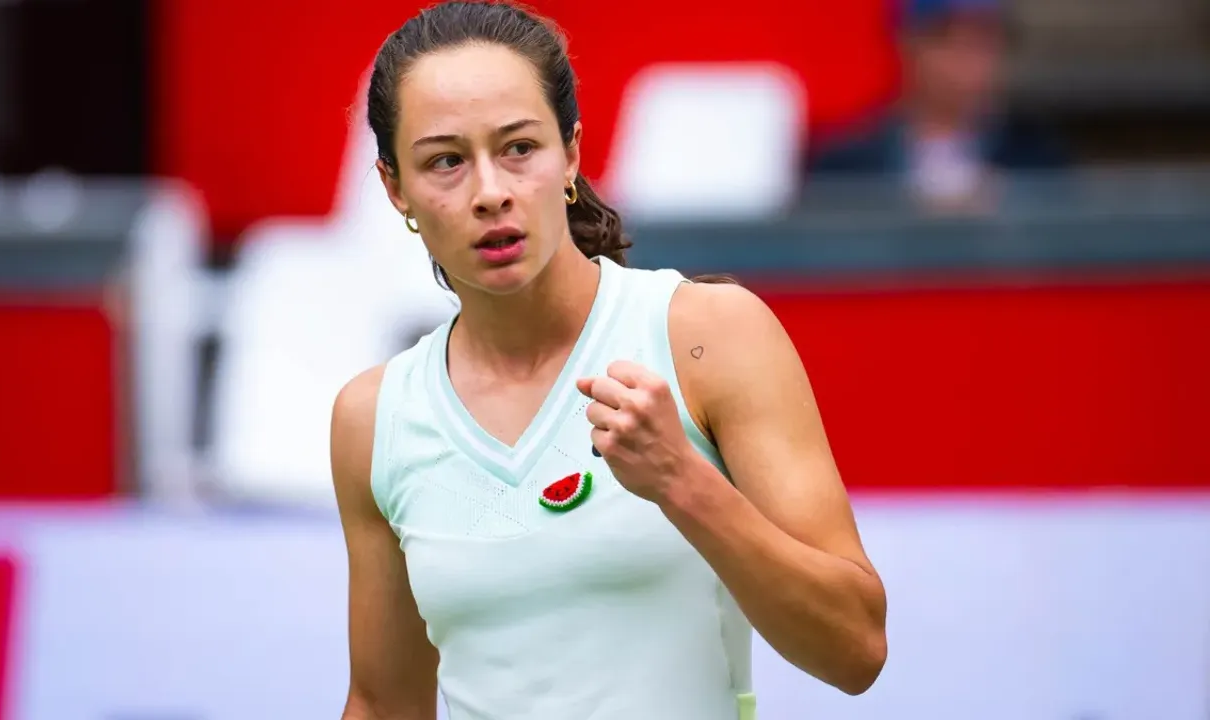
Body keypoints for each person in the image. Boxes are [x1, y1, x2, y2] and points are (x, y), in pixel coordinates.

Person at [331, 2, 887, 718]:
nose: (490, 192)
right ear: (395, 188)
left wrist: (682, 481)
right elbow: (384, 705)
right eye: (446, 161)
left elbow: (855, 650)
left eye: (519, 148)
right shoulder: (373, 417)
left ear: (571, 154)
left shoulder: (708, 334)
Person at [806, 0, 1067, 214]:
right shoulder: (848, 165)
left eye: (985, 42)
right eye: (948, 40)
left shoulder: (1035, 158)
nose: (969, 62)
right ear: (908, 45)